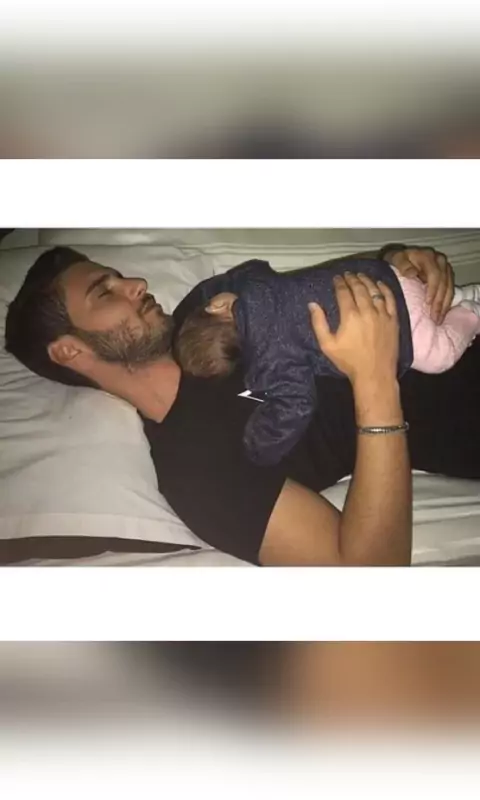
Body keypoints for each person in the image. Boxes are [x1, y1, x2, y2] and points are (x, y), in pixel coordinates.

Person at [4, 243, 480, 566]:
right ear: (70, 351)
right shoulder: (193, 469)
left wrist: (396, 262)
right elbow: (365, 571)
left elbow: (311, 287)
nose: (137, 283)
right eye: (104, 292)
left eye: (119, 278)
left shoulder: (203, 311)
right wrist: (374, 380)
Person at [173, 257, 480, 465]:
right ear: (217, 305)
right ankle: (465, 295)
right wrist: (229, 291)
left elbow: (296, 405)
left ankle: (470, 312)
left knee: (439, 355)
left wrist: (257, 445)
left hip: (397, 323)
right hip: (383, 275)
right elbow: (255, 266)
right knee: (436, 299)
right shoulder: (255, 285)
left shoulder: (273, 363)